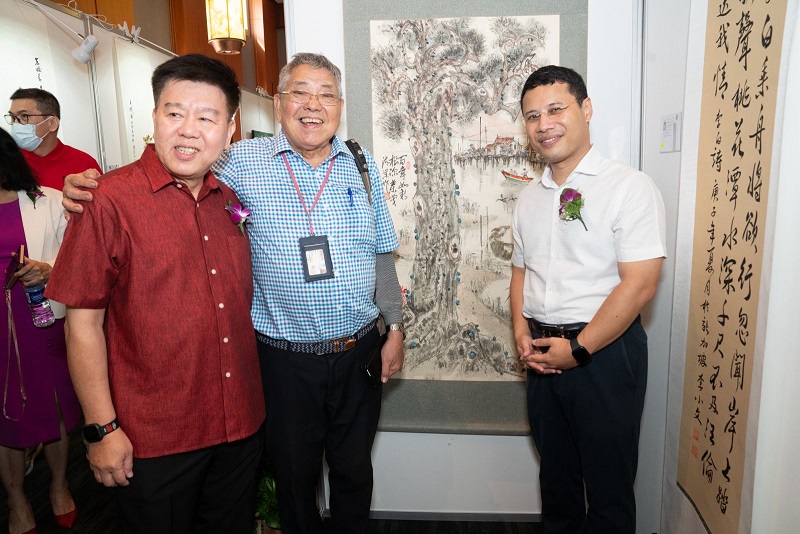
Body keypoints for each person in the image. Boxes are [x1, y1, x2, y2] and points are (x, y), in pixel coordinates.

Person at [62, 52, 406, 534]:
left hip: (358, 351)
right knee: (294, 480)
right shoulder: (239, 162)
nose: (313, 105)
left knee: (354, 472)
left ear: (340, 107)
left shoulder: (360, 164)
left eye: (326, 95)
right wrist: (89, 186)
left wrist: (395, 327)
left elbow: (382, 252)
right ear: (278, 103)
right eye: (300, 93)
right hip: (284, 361)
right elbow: (175, 165)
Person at [45, 54, 265, 533]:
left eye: (206, 118)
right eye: (175, 113)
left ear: (230, 130)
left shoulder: (228, 201)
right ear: (154, 117)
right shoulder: (106, 200)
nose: (189, 130)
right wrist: (101, 428)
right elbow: (83, 326)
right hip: (156, 436)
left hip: (238, 424)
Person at [510, 65, 666, 533]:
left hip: (604, 355)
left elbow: (640, 284)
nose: (544, 125)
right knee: (556, 484)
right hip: (542, 355)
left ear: (586, 109)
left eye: (556, 110)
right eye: (533, 116)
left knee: (608, 490)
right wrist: (520, 331)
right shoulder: (529, 197)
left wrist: (578, 350)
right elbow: (520, 272)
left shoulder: (629, 186)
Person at [0, 127, 81, 534]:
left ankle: (60, 485)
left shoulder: (45, 200)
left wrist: (48, 271)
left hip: (41, 319)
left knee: (55, 405)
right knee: (5, 413)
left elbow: (76, 258)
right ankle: (17, 501)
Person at [6, 88, 101, 190]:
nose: (15, 123)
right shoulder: (7, 162)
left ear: (52, 123)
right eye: (13, 117)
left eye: (24, 116)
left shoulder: (84, 163)